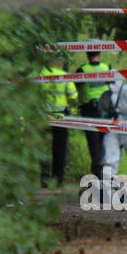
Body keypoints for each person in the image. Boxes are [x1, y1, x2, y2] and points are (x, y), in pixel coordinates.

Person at [38, 50, 78, 187]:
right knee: (59, 148)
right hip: (61, 116)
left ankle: (44, 178)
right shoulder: (64, 76)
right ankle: (57, 180)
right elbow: (73, 97)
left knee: (42, 147)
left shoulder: (38, 74)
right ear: (58, 61)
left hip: (41, 116)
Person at [75, 42, 111, 180]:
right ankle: (102, 168)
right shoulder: (107, 67)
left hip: (88, 109)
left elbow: (75, 86)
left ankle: (98, 169)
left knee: (92, 139)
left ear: (87, 53)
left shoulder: (82, 70)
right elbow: (113, 84)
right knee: (103, 139)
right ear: (99, 53)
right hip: (105, 108)